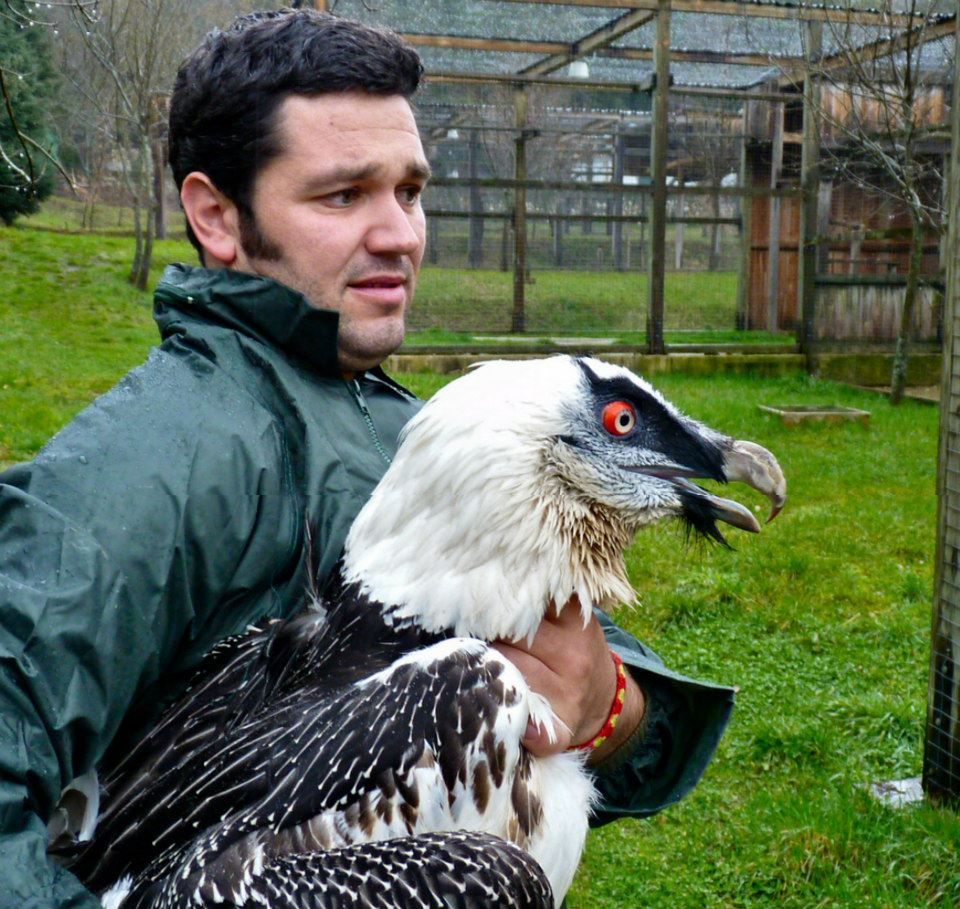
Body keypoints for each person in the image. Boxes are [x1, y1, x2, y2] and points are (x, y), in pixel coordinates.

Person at [0, 10, 734, 907]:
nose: (400, 234)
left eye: (410, 192)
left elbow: (592, 703)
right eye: (344, 196)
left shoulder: (413, 428)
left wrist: (609, 705)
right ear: (216, 215)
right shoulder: (147, 470)